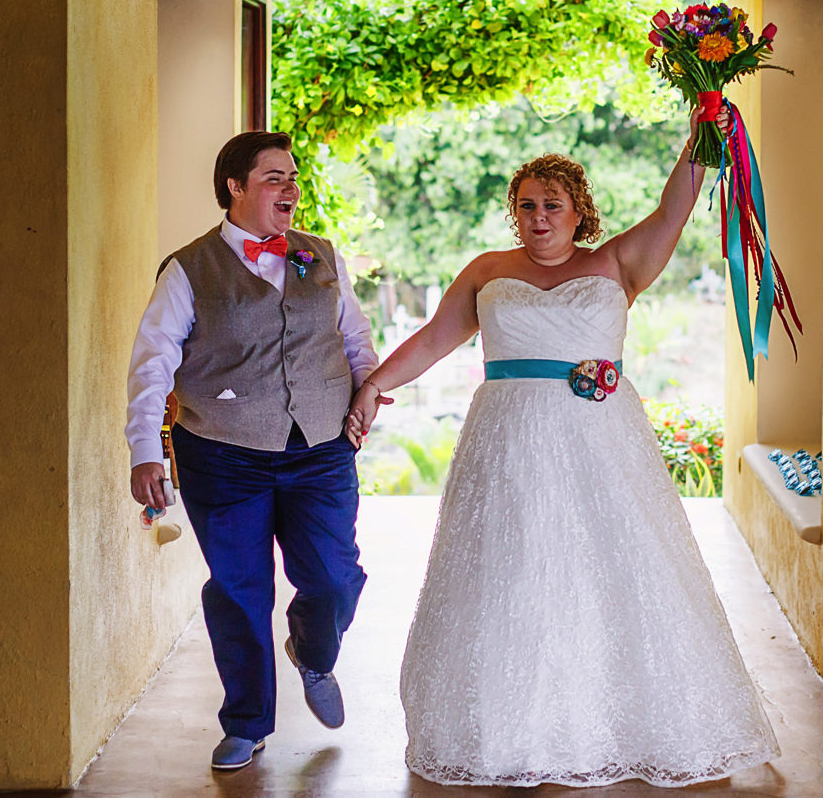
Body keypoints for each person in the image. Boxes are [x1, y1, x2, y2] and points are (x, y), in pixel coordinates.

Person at [348, 112, 780, 788]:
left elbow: (676, 205)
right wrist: (374, 383)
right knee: (511, 573)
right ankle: (513, 726)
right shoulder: (487, 270)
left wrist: (706, 110)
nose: (539, 217)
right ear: (513, 213)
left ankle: (613, 720)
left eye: (552, 205)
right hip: (507, 442)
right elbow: (435, 338)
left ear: (580, 212)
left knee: (610, 567)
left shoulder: (618, 262)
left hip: (599, 443)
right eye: (526, 205)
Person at [125, 131, 377, 771]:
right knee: (239, 590)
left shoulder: (318, 256)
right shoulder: (188, 269)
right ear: (234, 187)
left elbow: (354, 336)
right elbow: (152, 363)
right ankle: (245, 722)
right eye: (273, 178)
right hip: (222, 449)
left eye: (292, 177)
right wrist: (144, 451)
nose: (290, 189)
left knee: (334, 577)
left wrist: (367, 389)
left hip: (320, 446)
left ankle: (314, 652)